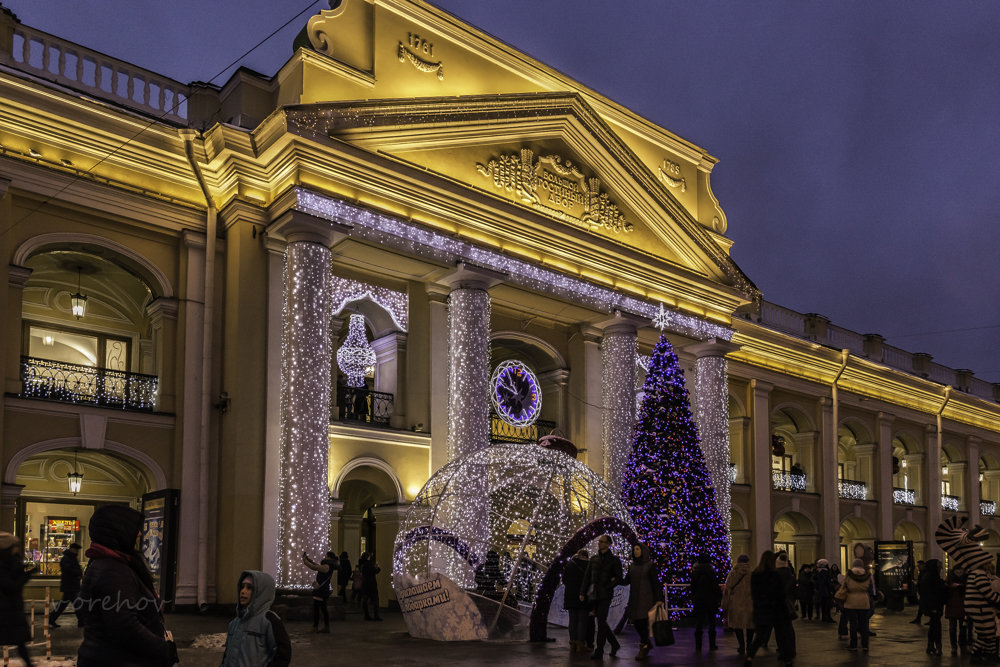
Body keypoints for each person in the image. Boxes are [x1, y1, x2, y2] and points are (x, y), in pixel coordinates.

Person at [77, 505, 177, 667]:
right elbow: (124, 626)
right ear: (119, 531)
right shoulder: (113, 570)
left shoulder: (105, 563)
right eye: (134, 528)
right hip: (119, 660)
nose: (139, 534)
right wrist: (163, 648)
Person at [220, 570, 291, 667]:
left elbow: (283, 655)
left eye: (249, 588)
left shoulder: (269, 620)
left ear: (261, 591)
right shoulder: (235, 622)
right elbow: (227, 656)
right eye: (242, 586)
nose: (243, 591)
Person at [744, 550, 795, 667]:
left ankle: (749, 658)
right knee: (783, 636)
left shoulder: (756, 574)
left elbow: (754, 593)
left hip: (761, 610)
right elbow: (780, 594)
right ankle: (787, 660)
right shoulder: (774, 574)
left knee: (759, 637)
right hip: (776, 610)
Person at [581, 534, 623, 660]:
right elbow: (587, 577)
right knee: (602, 622)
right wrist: (582, 592)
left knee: (601, 622)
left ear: (608, 544)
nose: (599, 543)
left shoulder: (614, 560)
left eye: (602, 541)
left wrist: (608, 586)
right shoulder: (594, 559)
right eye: (599, 541)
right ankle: (614, 644)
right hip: (594, 595)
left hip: (605, 595)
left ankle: (599, 651)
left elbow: (619, 577)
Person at [0, 531, 36, 667]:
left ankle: (29, 664)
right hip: (6, 609)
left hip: (11, 608)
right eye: (15, 545)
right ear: (7, 547)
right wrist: (27, 575)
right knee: (18, 640)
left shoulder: (12, 560)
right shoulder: (3, 564)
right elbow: (11, 586)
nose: (17, 548)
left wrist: (25, 570)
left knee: (19, 641)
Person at [625, 543, 664, 660]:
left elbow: (656, 583)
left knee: (642, 623)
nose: (635, 551)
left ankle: (644, 646)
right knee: (637, 623)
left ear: (643, 551)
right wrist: (613, 579)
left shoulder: (649, 565)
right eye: (634, 549)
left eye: (637, 549)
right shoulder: (632, 566)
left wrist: (659, 599)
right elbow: (626, 580)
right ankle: (646, 642)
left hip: (646, 599)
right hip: (635, 599)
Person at [839, 558, 872, 653]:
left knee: (853, 624)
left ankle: (853, 645)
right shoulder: (868, 575)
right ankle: (865, 645)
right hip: (864, 600)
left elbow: (844, 586)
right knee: (864, 624)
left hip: (851, 601)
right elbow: (871, 587)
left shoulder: (849, 574)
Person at [724, 554, 754, 655]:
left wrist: (725, 604)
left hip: (736, 603)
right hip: (750, 602)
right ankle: (749, 645)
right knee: (750, 625)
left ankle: (741, 646)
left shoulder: (733, 573)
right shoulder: (752, 573)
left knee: (738, 625)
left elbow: (728, 589)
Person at [690, 553, 722, 651]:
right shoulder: (711, 573)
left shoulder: (695, 573)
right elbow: (716, 588)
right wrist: (718, 598)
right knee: (712, 623)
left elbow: (692, 588)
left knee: (699, 623)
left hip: (699, 600)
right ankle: (712, 645)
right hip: (711, 601)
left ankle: (698, 646)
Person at [562, 548, 591, 653]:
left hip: (570, 595)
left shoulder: (570, 564)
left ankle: (572, 644)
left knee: (572, 620)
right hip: (583, 596)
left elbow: (564, 579)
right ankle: (580, 644)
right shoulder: (589, 565)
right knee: (582, 621)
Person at [49, 542, 83, 628]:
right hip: (70, 585)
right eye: (76, 550)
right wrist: (78, 572)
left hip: (70, 585)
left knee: (64, 604)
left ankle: (51, 619)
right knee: (76, 604)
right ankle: (81, 621)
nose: (77, 552)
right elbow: (68, 571)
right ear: (72, 549)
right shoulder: (67, 559)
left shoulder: (71, 558)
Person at [918, 558, 947, 656]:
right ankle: (937, 647)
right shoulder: (931, 577)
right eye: (939, 566)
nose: (940, 568)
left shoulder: (930, 576)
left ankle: (930, 646)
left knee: (934, 626)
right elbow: (929, 593)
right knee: (936, 627)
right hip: (934, 606)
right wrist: (933, 607)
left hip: (935, 605)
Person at [303, 551, 337, 633]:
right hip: (323, 590)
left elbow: (315, 567)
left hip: (320, 590)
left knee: (317, 608)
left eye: (326, 555)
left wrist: (305, 561)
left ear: (329, 557)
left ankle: (315, 626)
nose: (324, 556)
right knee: (322, 608)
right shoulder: (329, 565)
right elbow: (316, 565)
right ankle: (326, 626)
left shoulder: (327, 566)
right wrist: (309, 560)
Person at [945, 565, 970, 656]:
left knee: (963, 628)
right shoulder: (949, 580)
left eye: (961, 570)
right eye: (957, 570)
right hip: (952, 606)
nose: (959, 572)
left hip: (963, 607)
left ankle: (962, 645)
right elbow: (945, 593)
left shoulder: (966, 580)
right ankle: (954, 646)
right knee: (952, 628)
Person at [360, 552, 382, 621]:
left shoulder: (361, 563)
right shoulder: (369, 563)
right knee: (375, 600)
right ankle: (376, 615)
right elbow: (375, 571)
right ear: (368, 557)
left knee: (365, 600)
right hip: (371, 584)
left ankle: (366, 615)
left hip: (365, 583)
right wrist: (377, 567)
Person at [910, 559, 926, 624]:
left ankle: (918, 619)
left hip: (924, 592)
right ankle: (918, 618)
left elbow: (923, 582)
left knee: (923, 606)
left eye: (919, 565)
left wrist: (917, 583)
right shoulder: (922, 573)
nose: (918, 567)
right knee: (921, 606)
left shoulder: (924, 573)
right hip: (922, 592)